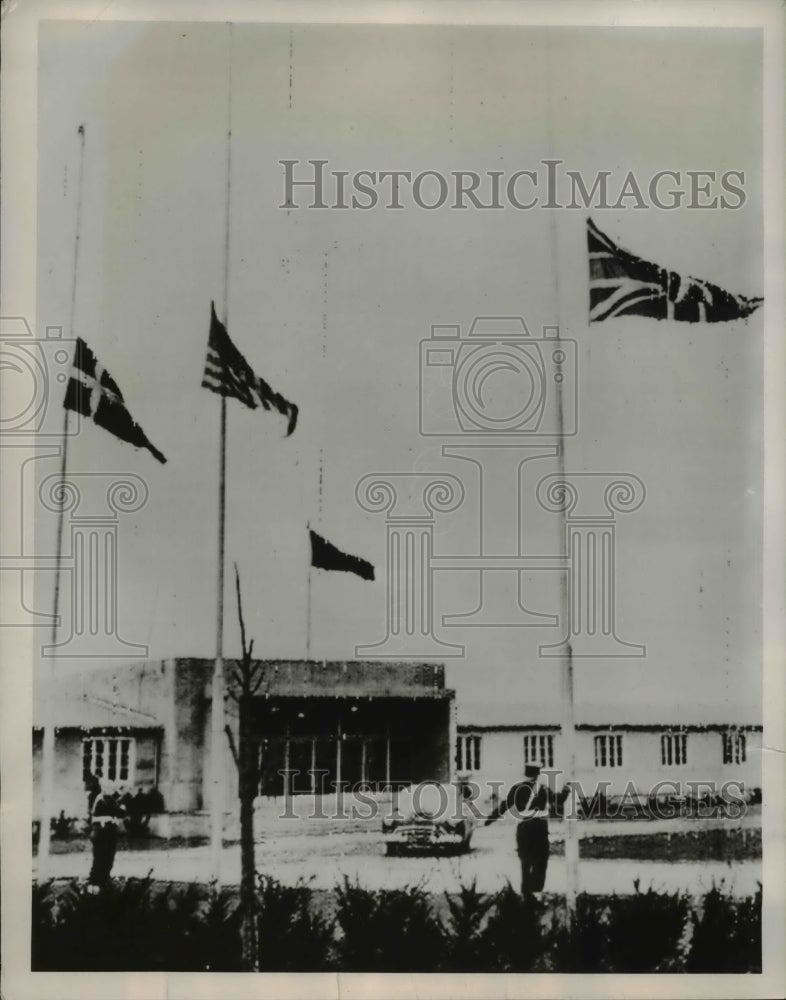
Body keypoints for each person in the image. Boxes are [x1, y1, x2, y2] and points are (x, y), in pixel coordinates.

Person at [485, 763, 550, 896]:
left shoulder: (516, 788)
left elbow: (505, 806)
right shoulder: (543, 789)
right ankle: (536, 891)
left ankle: (526, 894)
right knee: (541, 860)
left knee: (525, 862)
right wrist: (567, 788)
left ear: (525, 774)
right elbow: (558, 801)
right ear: (538, 774)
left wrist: (489, 820)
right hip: (539, 828)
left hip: (524, 827)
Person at [87, 784, 126, 892]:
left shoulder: (101, 798)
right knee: (104, 859)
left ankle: (99, 882)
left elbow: (112, 802)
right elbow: (120, 812)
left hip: (102, 833)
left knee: (102, 859)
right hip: (104, 833)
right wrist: (123, 806)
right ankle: (98, 883)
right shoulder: (105, 799)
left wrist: (118, 795)